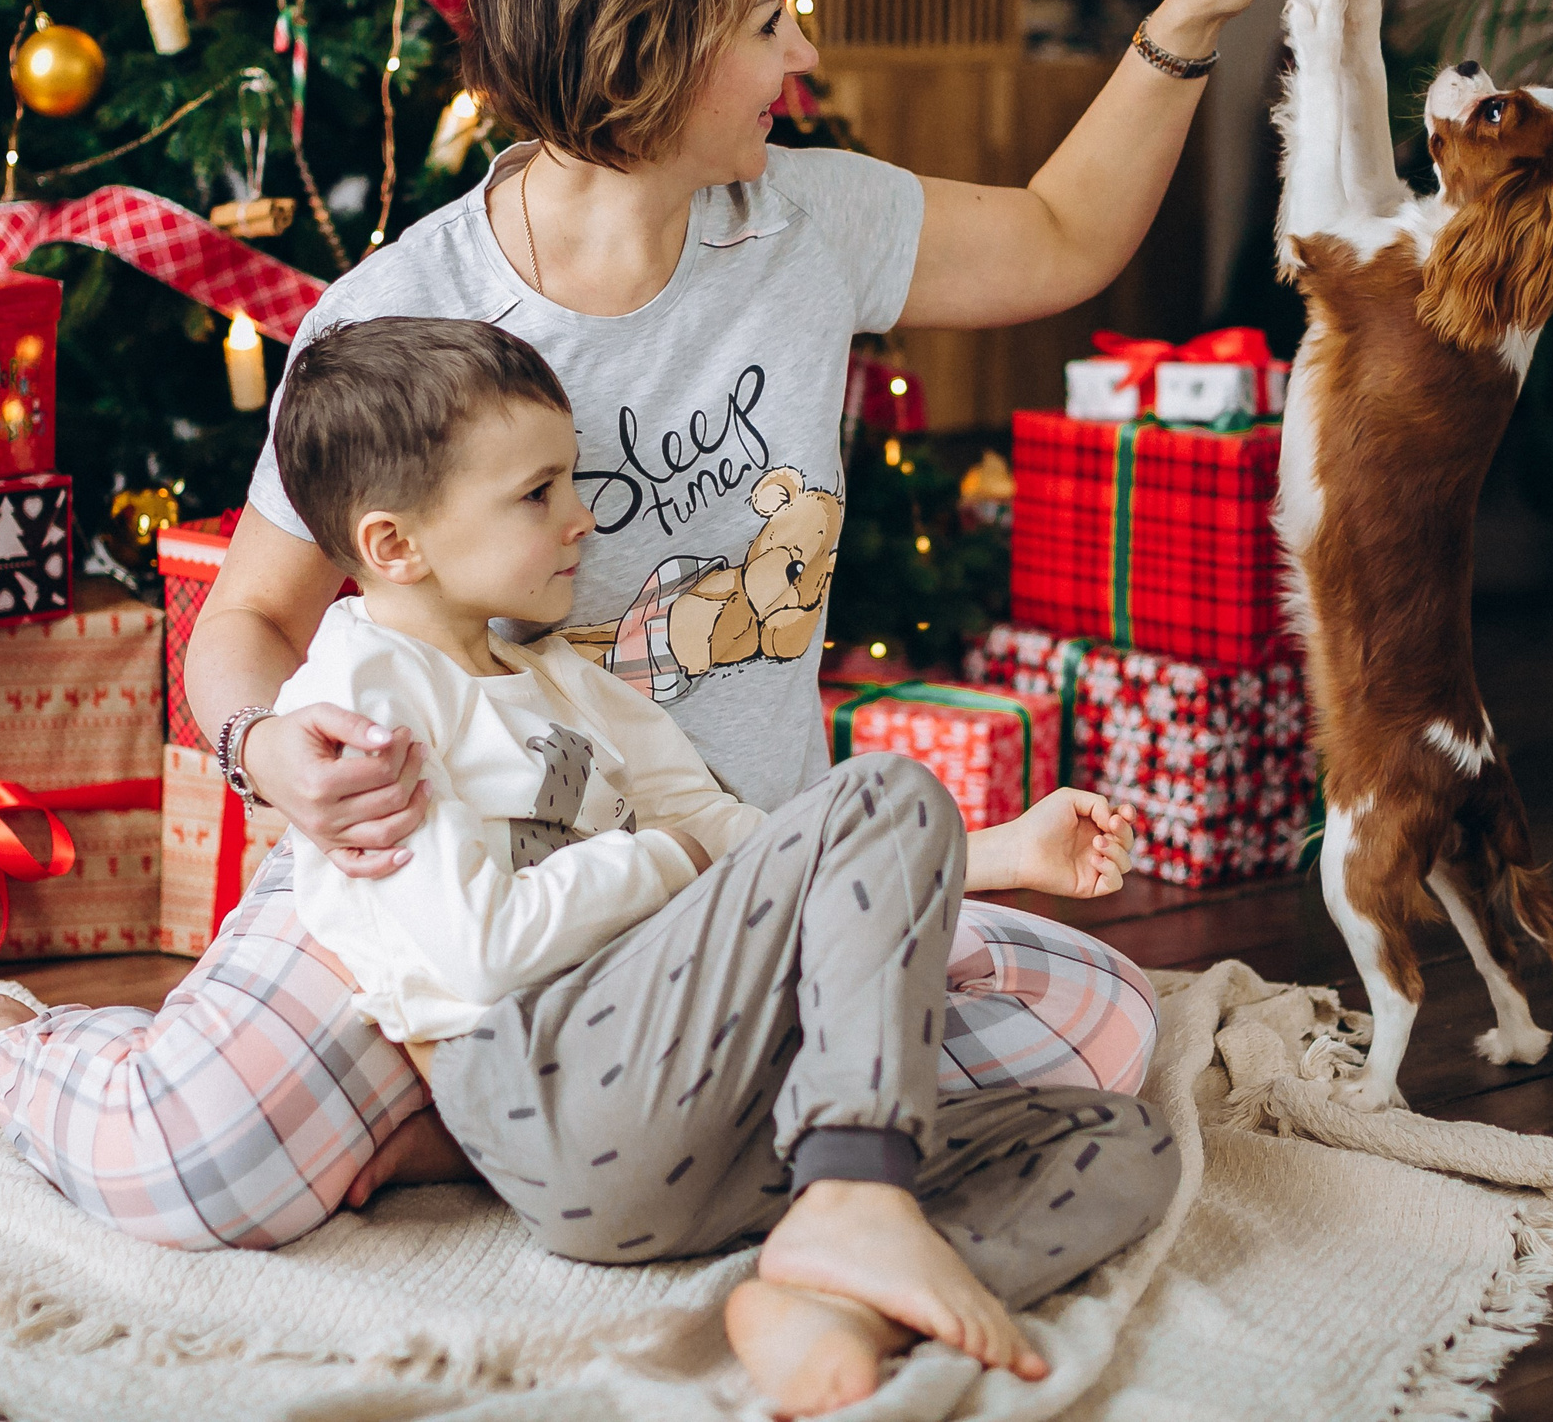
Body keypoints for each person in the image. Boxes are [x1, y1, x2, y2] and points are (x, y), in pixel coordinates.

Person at [0, 0, 1329, 1251]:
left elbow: (1062, 234)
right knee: (195, 1159)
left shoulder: (808, 223)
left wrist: (1192, 13)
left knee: (1108, 1034)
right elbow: (248, 618)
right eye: (767, 20)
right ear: (652, 54)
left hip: (725, 886)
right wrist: (271, 748)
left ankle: (478, 1132)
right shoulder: (403, 314)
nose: (797, 47)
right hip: (455, 873)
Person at [265, 315, 1172, 1415]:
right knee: (888, 784)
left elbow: (759, 850)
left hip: (711, 1131)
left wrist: (997, 855)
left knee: (1118, 1142)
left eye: (572, 482)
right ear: (394, 544)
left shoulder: (570, 686)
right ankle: (859, 1190)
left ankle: (834, 1295)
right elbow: (481, 951)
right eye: (537, 492)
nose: (581, 516)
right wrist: (667, 858)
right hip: (544, 1087)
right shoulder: (364, 691)